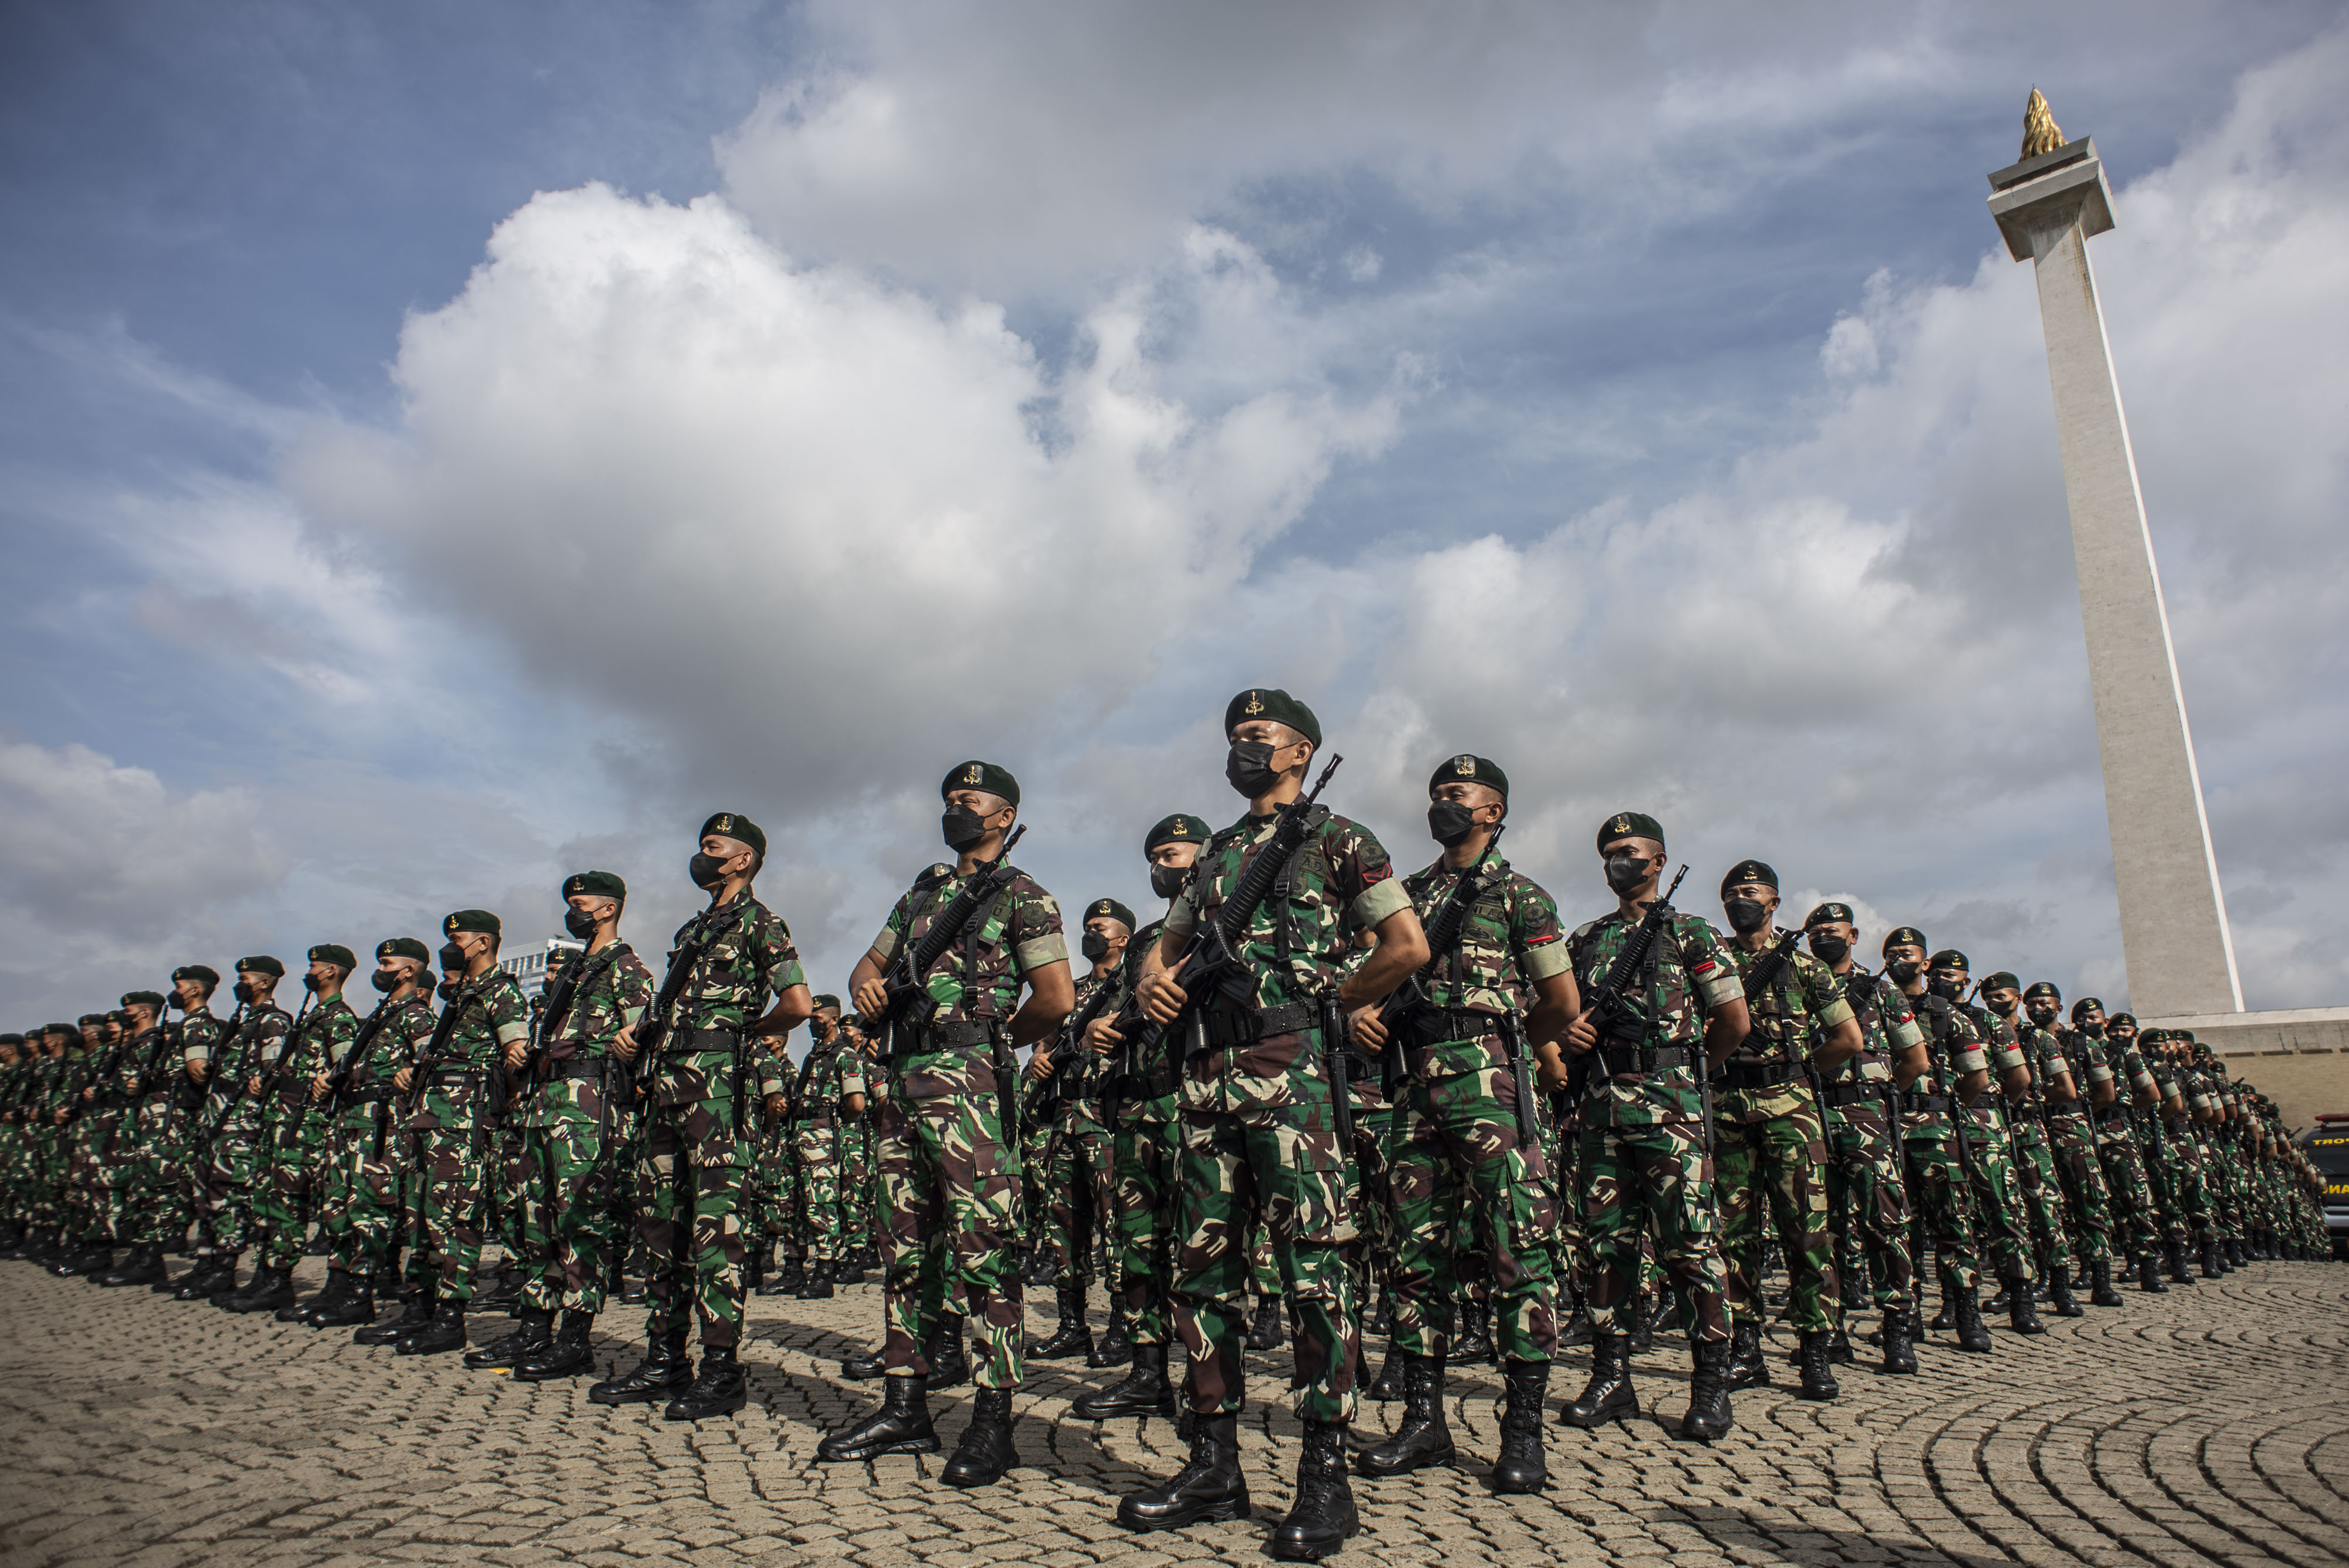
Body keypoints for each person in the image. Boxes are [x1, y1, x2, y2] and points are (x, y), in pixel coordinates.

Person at [1115, 689, 1428, 1562]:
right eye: (1235, 738)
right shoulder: (1214, 856)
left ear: (1300, 752)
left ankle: (1324, 1475)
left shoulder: (1340, 839)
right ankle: (1213, 1462)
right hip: (1207, 1083)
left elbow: (1405, 946)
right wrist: (1152, 985)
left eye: (1259, 737)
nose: (1241, 748)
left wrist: (1330, 1004)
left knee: (1312, 1269)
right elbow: (1164, 946)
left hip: (1295, 1081)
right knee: (1202, 1274)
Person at [820, 764, 1071, 1488]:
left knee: (984, 1250)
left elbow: (1054, 998)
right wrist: (869, 986)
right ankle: (905, 1405)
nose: (954, 808)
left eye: (970, 800)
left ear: (1006, 815)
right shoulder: (922, 893)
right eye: (949, 800)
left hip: (971, 1086)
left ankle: (993, 1421)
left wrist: (992, 1043)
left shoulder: (1025, 896)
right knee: (905, 1248)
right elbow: (871, 966)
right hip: (903, 1081)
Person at [1352, 753, 1576, 1493]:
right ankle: (1424, 1423)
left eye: (1458, 794)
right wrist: (1362, 1016)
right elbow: (1372, 973)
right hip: (1412, 1088)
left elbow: (1561, 1005)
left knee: (1518, 1248)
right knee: (1416, 1255)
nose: (1442, 803)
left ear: (1493, 811)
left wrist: (1501, 1040)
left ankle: (1523, 1432)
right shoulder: (1408, 895)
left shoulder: (1522, 895)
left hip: (1490, 1084)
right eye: (1436, 793)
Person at [591, 815, 812, 1421]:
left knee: (717, 1233)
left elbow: (795, 1003)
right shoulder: (694, 927)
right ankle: (665, 1359)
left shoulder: (760, 923)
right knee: (662, 1231)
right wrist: (641, 1036)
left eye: (712, 848)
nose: (701, 856)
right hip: (666, 1089)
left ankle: (720, 1371)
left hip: (716, 1096)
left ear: (742, 860)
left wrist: (743, 1034)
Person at [1556, 814, 1748, 1441]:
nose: (1618, 860)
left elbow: (1733, 1022)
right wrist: (1573, 1035)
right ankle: (1612, 1376)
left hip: (1670, 1112)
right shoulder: (1585, 940)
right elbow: (1559, 1016)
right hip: (1601, 1110)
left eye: (1629, 851)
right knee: (1605, 1247)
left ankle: (1710, 1383)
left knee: (1690, 1246)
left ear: (1660, 860)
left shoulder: (1691, 933)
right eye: (1609, 852)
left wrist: (1683, 1075)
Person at [480, 874, 654, 1380]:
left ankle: (576, 1337)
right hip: (544, 1103)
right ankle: (535, 1328)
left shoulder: (626, 967)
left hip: (588, 1108)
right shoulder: (575, 971)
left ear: (607, 909)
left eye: (579, 904)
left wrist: (631, 1040)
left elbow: (642, 1037)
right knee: (537, 1220)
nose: (571, 913)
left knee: (579, 1221)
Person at [1075, 813, 1209, 1422]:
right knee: (1139, 1243)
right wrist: (1109, 1028)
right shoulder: (1148, 938)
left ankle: (1206, 1384)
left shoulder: (1228, 924)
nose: (1163, 865)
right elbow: (1134, 1010)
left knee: (1205, 1246)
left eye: (1174, 852)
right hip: (1139, 1100)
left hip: (1202, 1100)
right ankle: (1146, 1371)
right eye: (1155, 855)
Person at [1710, 862, 1857, 1401]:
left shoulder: (1804, 967)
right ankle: (1745, 1348)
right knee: (1733, 1235)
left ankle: (1816, 1347)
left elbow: (1848, 1038)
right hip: (1726, 1104)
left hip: (1790, 1109)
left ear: (1774, 901)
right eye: (1731, 894)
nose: (1739, 900)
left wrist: (1798, 1072)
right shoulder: (1710, 961)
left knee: (1806, 1230)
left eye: (1750, 892)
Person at [384, 913, 531, 1355]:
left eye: (457, 938)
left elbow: (516, 1052)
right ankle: (420, 1308)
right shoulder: (464, 993)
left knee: (454, 1218)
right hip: (432, 1119)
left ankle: (450, 1317)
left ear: (483, 942)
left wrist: (506, 1112)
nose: (450, 945)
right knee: (422, 1215)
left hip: (466, 1121)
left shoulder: (501, 989)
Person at [1801, 903, 1926, 1373]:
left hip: (1864, 1114)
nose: (1823, 937)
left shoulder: (1881, 991)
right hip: (1811, 1112)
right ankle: (1829, 1332)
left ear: (1853, 936)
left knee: (1884, 1221)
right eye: (1816, 930)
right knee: (1819, 1227)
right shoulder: (1799, 984)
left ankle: (1897, 1328)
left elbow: (1914, 1060)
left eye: (1832, 930)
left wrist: (1876, 1098)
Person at [1027, 897, 1133, 1366]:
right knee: (1065, 1225)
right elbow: (1046, 1036)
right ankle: (1072, 1327)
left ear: (1124, 938)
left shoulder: (1133, 986)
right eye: (1087, 926)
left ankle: (1123, 1326)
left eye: (1101, 927)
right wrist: (1039, 1054)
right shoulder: (1073, 991)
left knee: (1116, 1227)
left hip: (1108, 1120)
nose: (1092, 933)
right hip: (1065, 1118)